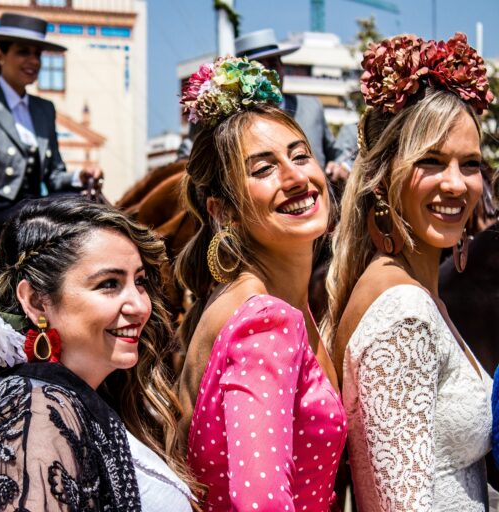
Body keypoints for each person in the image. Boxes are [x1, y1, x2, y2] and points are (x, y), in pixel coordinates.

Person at [0, 198, 194, 512]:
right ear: (36, 301)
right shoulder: (37, 411)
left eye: (139, 282)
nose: (140, 306)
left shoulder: (64, 399)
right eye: (109, 284)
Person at [324, 33, 494, 510]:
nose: (456, 184)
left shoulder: (411, 291)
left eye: (471, 164)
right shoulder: (403, 311)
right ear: (384, 176)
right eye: (432, 162)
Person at [173, 56, 346, 511]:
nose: (296, 178)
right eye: (263, 168)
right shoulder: (266, 322)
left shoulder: (249, 302)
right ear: (222, 211)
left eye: (300, 156)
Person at [0, 12, 103, 243]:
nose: (33, 61)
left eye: (37, 54)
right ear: (0, 53)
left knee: (90, 209)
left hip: (34, 211)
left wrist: (79, 176)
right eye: (23, 51)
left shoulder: (44, 109)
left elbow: (53, 175)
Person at [235, 28, 348, 182]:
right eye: (261, 68)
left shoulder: (311, 106)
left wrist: (340, 166)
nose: (271, 74)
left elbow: (334, 152)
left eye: (274, 64)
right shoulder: (237, 123)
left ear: (282, 68)